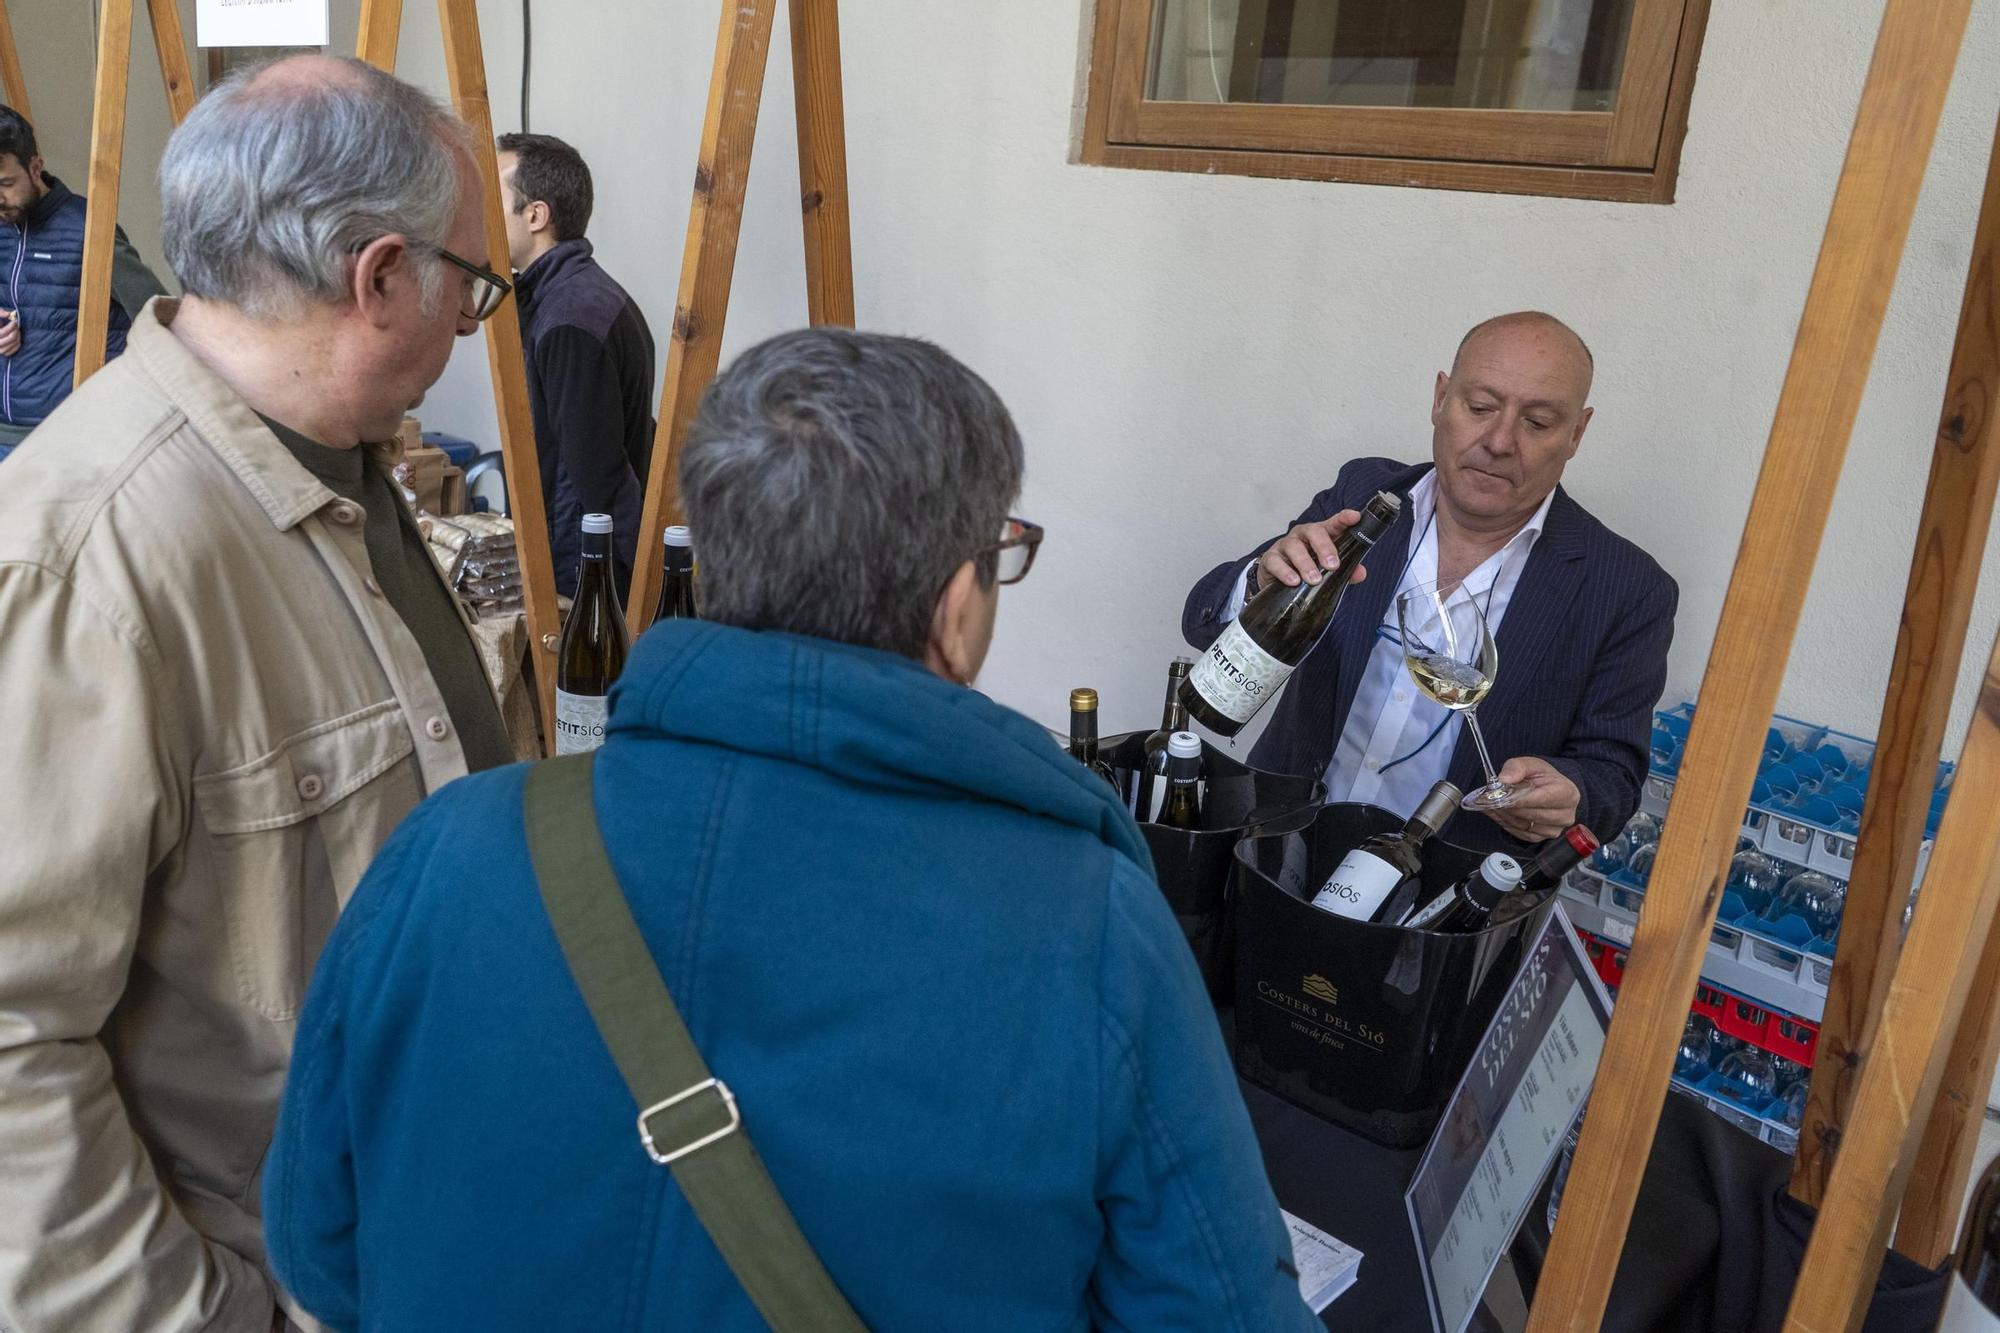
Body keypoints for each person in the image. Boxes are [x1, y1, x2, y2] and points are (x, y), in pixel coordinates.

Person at [263, 328, 1320, 1332]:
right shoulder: (1087, 927)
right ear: (958, 600)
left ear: (719, 563)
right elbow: (1218, 1308)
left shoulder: (449, 847)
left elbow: (319, 1248)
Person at [0, 56, 517, 1332]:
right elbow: (13, 1048)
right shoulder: (90, 558)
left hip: (415, 1234)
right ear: (380, 275)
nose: (469, 319)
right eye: (471, 281)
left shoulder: (348, 462)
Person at [1183, 311, 1677, 852]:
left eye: (1537, 422)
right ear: (1441, 399)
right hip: (1278, 841)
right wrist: (1261, 583)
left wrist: (1572, 793)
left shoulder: (1626, 588)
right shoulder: (1364, 493)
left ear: (1576, 434)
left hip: (1445, 898)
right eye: (1481, 407)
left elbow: (1614, 776)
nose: (1499, 441)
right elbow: (1203, 621)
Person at [497, 131, 656, 597]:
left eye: (492, 197)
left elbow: (590, 481)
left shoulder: (571, 317)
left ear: (535, 215)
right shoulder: (572, 297)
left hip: (581, 575)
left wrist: (569, 597)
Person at [0, 104, 169, 459]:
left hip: (71, 437)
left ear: (35, 167)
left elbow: (158, 319)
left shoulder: (89, 228)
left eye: (5, 184)